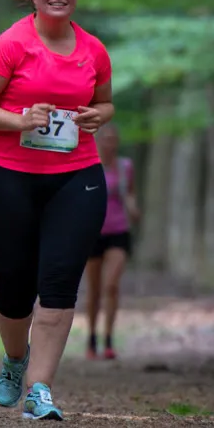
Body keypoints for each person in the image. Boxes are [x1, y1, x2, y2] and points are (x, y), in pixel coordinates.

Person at [0, 0, 114, 422]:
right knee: (13, 286)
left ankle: (41, 388)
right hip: (5, 179)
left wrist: (96, 116)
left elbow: (107, 102)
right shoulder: (12, 44)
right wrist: (21, 120)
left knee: (60, 284)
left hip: (76, 178)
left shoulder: (93, 50)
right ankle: (14, 359)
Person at [81, 123, 138, 360]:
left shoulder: (125, 167)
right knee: (94, 290)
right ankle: (92, 336)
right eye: (106, 139)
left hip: (119, 230)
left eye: (114, 140)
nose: (110, 144)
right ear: (99, 141)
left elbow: (131, 193)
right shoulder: (88, 166)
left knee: (111, 285)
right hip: (93, 231)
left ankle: (109, 338)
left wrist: (134, 206)